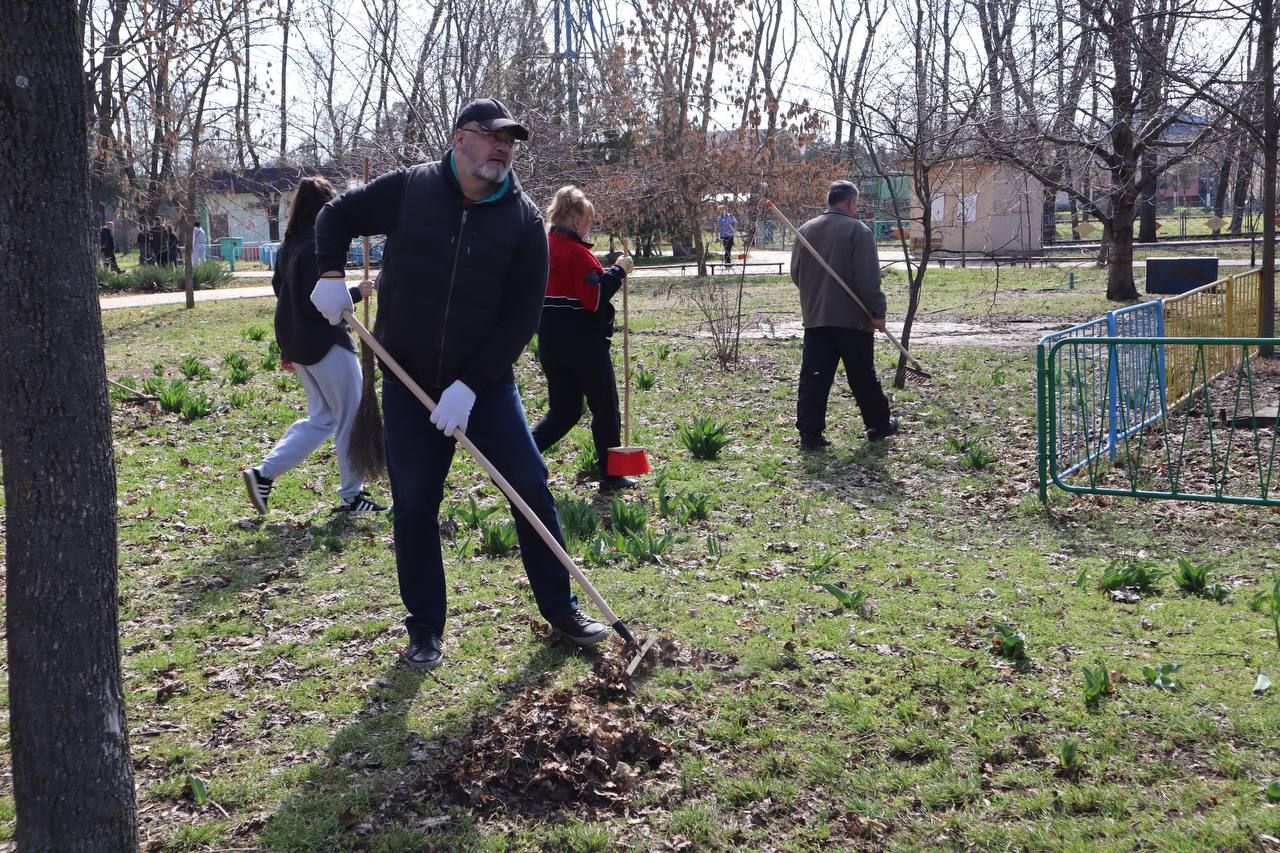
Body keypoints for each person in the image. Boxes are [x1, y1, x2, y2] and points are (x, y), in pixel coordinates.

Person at [310, 97, 609, 671]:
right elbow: (335, 216)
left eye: (509, 141)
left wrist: (470, 385)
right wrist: (329, 273)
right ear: (460, 138)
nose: (502, 148)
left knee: (530, 486)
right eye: (492, 136)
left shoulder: (523, 221)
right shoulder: (412, 189)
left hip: (485, 387)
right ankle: (425, 628)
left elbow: (522, 316)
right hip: (407, 379)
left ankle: (562, 608)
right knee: (414, 504)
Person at [242, 177, 388, 517]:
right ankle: (352, 497)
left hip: (301, 344)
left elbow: (284, 295)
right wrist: (356, 293)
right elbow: (315, 303)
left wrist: (288, 348)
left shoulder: (290, 247)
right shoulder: (316, 248)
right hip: (327, 343)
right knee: (351, 417)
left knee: (323, 418)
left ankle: (264, 474)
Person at [531, 185, 636, 491]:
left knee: (564, 411)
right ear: (576, 220)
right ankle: (612, 475)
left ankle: (519, 455)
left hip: (550, 343)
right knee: (605, 408)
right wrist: (618, 272)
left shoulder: (540, 248)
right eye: (588, 221)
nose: (588, 227)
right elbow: (594, 299)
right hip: (585, 346)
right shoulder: (578, 255)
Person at [790, 180, 898, 451]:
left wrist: (817, 294)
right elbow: (868, 280)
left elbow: (796, 273)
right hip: (854, 320)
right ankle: (879, 425)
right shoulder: (859, 231)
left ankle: (810, 434)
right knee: (862, 375)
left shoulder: (806, 229)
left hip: (816, 317)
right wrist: (877, 311)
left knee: (814, 377)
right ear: (851, 202)